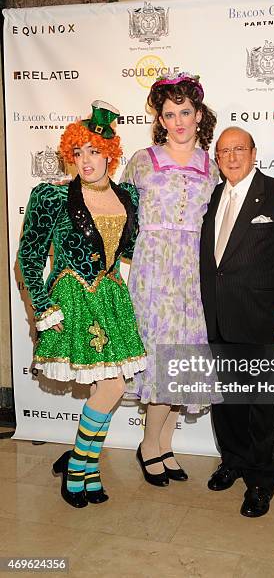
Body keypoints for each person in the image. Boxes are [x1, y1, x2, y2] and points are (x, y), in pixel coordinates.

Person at [18, 101, 146, 508]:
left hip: (109, 295)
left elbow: (130, 248)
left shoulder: (128, 195)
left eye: (94, 151)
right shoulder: (51, 196)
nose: (86, 160)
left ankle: (83, 464)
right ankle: (79, 468)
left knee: (110, 387)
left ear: (110, 152)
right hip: (71, 297)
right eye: (79, 152)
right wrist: (42, 307)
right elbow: (30, 257)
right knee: (110, 386)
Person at [120, 72, 220, 487]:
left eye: (185, 112)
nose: (178, 121)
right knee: (160, 355)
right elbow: (120, 215)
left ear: (199, 115)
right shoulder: (143, 160)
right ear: (159, 119)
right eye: (169, 114)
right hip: (152, 270)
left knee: (183, 360)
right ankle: (149, 445)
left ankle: (163, 444)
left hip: (193, 272)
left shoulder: (212, 167)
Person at [199, 126, 274, 517]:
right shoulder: (210, 195)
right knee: (225, 401)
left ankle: (262, 480)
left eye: (238, 149)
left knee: (261, 404)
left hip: (261, 318)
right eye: (223, 151)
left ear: (254, 151)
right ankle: (234, 460)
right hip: (217, 317)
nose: (231, 157)